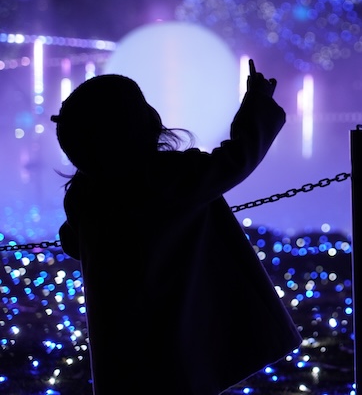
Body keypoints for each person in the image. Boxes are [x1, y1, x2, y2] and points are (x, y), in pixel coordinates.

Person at [52, 59, 302, 394]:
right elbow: (237, 158)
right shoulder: (168, 176)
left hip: (123, 348)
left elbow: (72, 242)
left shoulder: (86, 193)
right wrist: (258, 103)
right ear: (141, 123)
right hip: (181, 341)